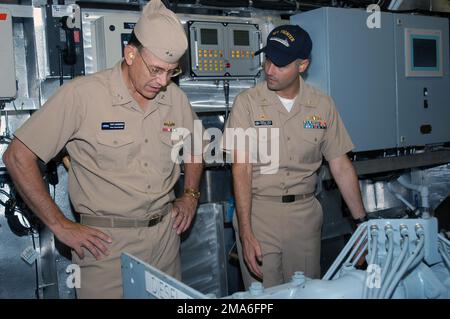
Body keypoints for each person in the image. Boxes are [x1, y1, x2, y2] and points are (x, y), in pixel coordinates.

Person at [3, 0, 203, 298]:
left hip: (165, 240)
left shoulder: (174, 98)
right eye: (156, 70)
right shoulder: (82, 96)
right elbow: (18, 156)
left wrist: (190, 195)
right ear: (130, 54)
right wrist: (60, 225)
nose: (162, 81)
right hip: (105, 247)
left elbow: (196, 145)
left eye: (171, 72)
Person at [224, 24, 367, 289]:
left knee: (306, 292)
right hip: (259, 214)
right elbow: (240, 168)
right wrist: (245, 231)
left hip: (304, 219)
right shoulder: (247, 104)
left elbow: (340, 165)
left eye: (280, 64)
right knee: (263, 297)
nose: (269, 70)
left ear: (302, 65)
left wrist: (361, 225)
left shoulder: (322, 105)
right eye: (268, 59)